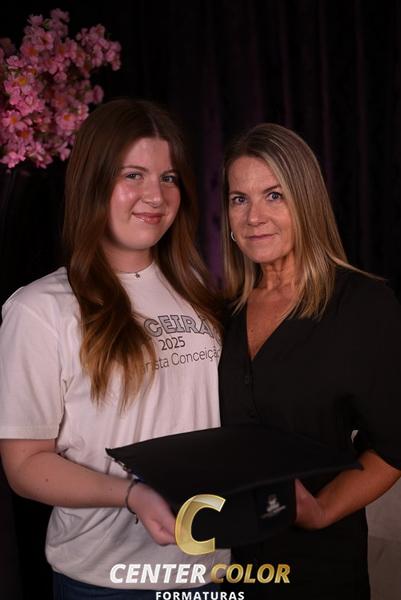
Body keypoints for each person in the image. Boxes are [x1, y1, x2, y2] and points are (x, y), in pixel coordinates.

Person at [0, 98, 229, 599]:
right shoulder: (40, 309)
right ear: (93, 182)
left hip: (212, 568)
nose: (155, 195)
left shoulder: (198, 291)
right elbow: (24, 464)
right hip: (108, 582)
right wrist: (132, 495)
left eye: (168, 178)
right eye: (133, 175)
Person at [218, 122, 401, 599]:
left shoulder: (363, 305)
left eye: (274, 195)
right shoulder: (222, 312)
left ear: (307, 202)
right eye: (239, 199)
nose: (254, 216)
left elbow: (393, 446)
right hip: (233, 563)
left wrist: (320, 512)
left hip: (321, 568)